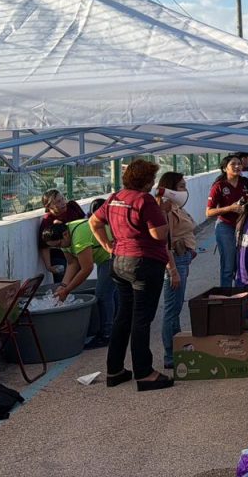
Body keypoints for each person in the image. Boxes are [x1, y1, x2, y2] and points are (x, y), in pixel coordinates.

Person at [89, 159, 172, 392]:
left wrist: (106, 244)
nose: (154, 182)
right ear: (145, 181)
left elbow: (94, 221)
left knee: (123, 316)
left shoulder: (116, 198)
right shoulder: (145, 200)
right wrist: (162, 212)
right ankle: (144, 373)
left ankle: (114, 370)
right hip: (144, 263)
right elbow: (158, 234)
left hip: (119, 261)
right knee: (141, 318)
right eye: (152, 179)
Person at [47, 198, 114, 349]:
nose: (59, 248)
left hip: (111, 255)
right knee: (111, 293)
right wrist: (63, 285)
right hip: (105, 256)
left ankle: (107, 334)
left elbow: (86, 268)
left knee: (103, 294)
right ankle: (117, 328)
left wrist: (68, 290)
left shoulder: (78, 238)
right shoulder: (64, 239)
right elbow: (72, 264)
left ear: (64, 235)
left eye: (58, 245)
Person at [156, 173, 196, 370]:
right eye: (180, 186)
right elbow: (163, 243)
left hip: (182, 258)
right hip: (175, 261)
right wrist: (172, 270)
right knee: (172, 309)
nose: (184, 189)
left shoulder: (175, 207)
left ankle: (177, 348)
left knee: (176, 307)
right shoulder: (165, 211)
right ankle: (171, 354)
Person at [206, 155, 248, 288]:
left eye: (239, 163)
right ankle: (226, 297)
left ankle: (240, 296)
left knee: (242, 263)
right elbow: (209, 212)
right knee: (228, 266)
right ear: (224, 168)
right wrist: (230, 208)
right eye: (233, 164)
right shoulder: (219, 186)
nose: (238, 166)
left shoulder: (246, 183)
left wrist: (247, 206)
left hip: (244, 225)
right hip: (225, 226)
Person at [38, 189, 86, 283]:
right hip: (60, 254)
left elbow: (84, 222)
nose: (63, 203)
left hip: (78, 248)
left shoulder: (72, 206)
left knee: (80, 279)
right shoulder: (48, 221)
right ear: (48, 206)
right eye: (58, 202)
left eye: (63, 199)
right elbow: (44, 246)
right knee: (62, 278)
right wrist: (49, 266)